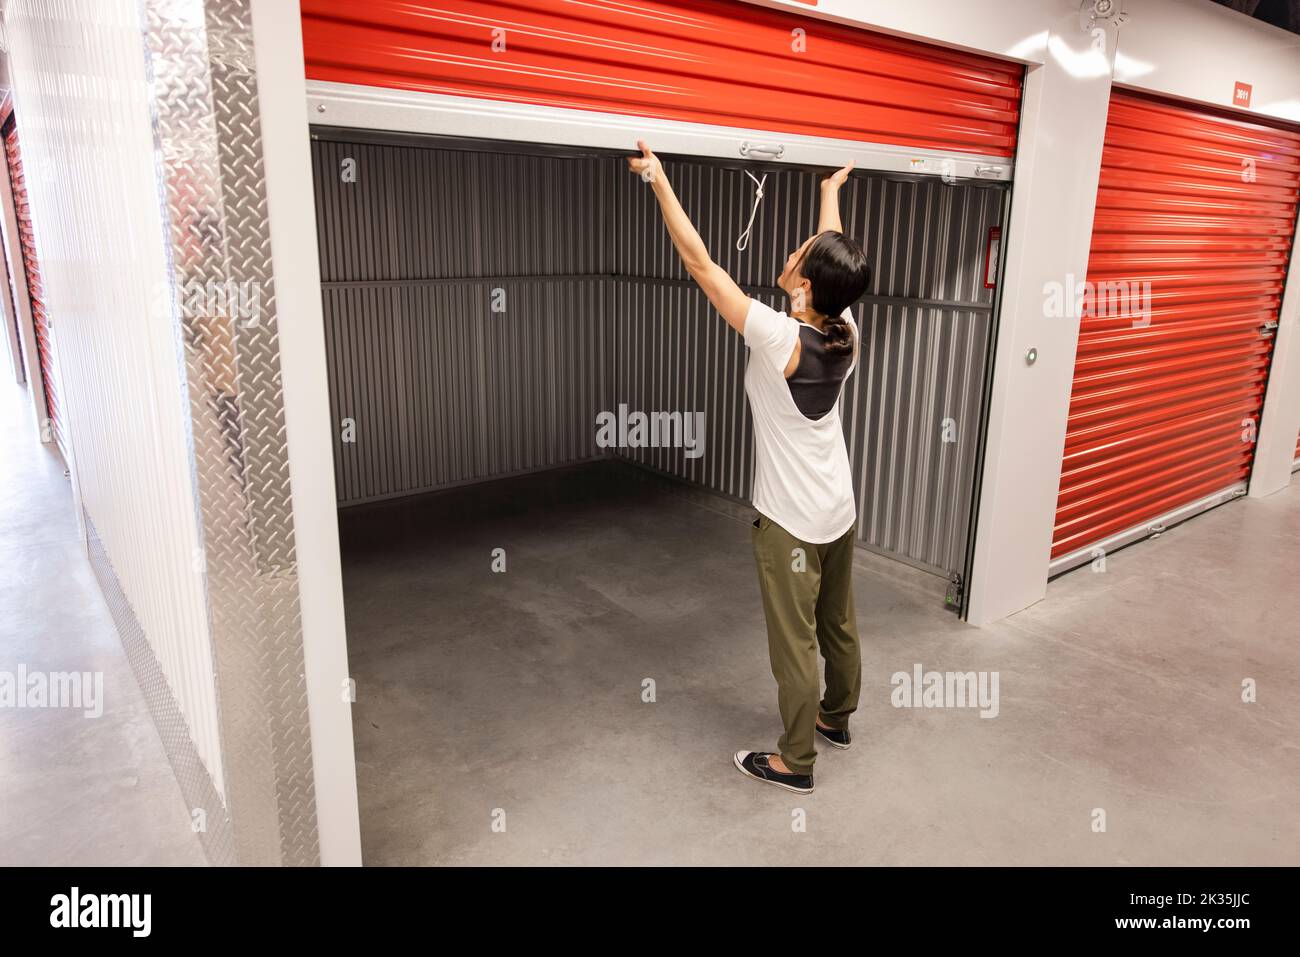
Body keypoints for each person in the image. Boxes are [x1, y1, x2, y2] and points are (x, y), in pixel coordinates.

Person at [627, 140, 871, 795]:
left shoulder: (780, 335)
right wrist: (830, 190)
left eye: (802, 253)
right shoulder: (845, 326)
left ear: (809, 283)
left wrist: (658, 179)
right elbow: (836, 245)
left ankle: (796, 760)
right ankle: (836, 718)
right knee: (838, 622)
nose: (794, 251)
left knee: (795, 643)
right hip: (839, 511)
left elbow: (701, 264)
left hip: (790, 523)